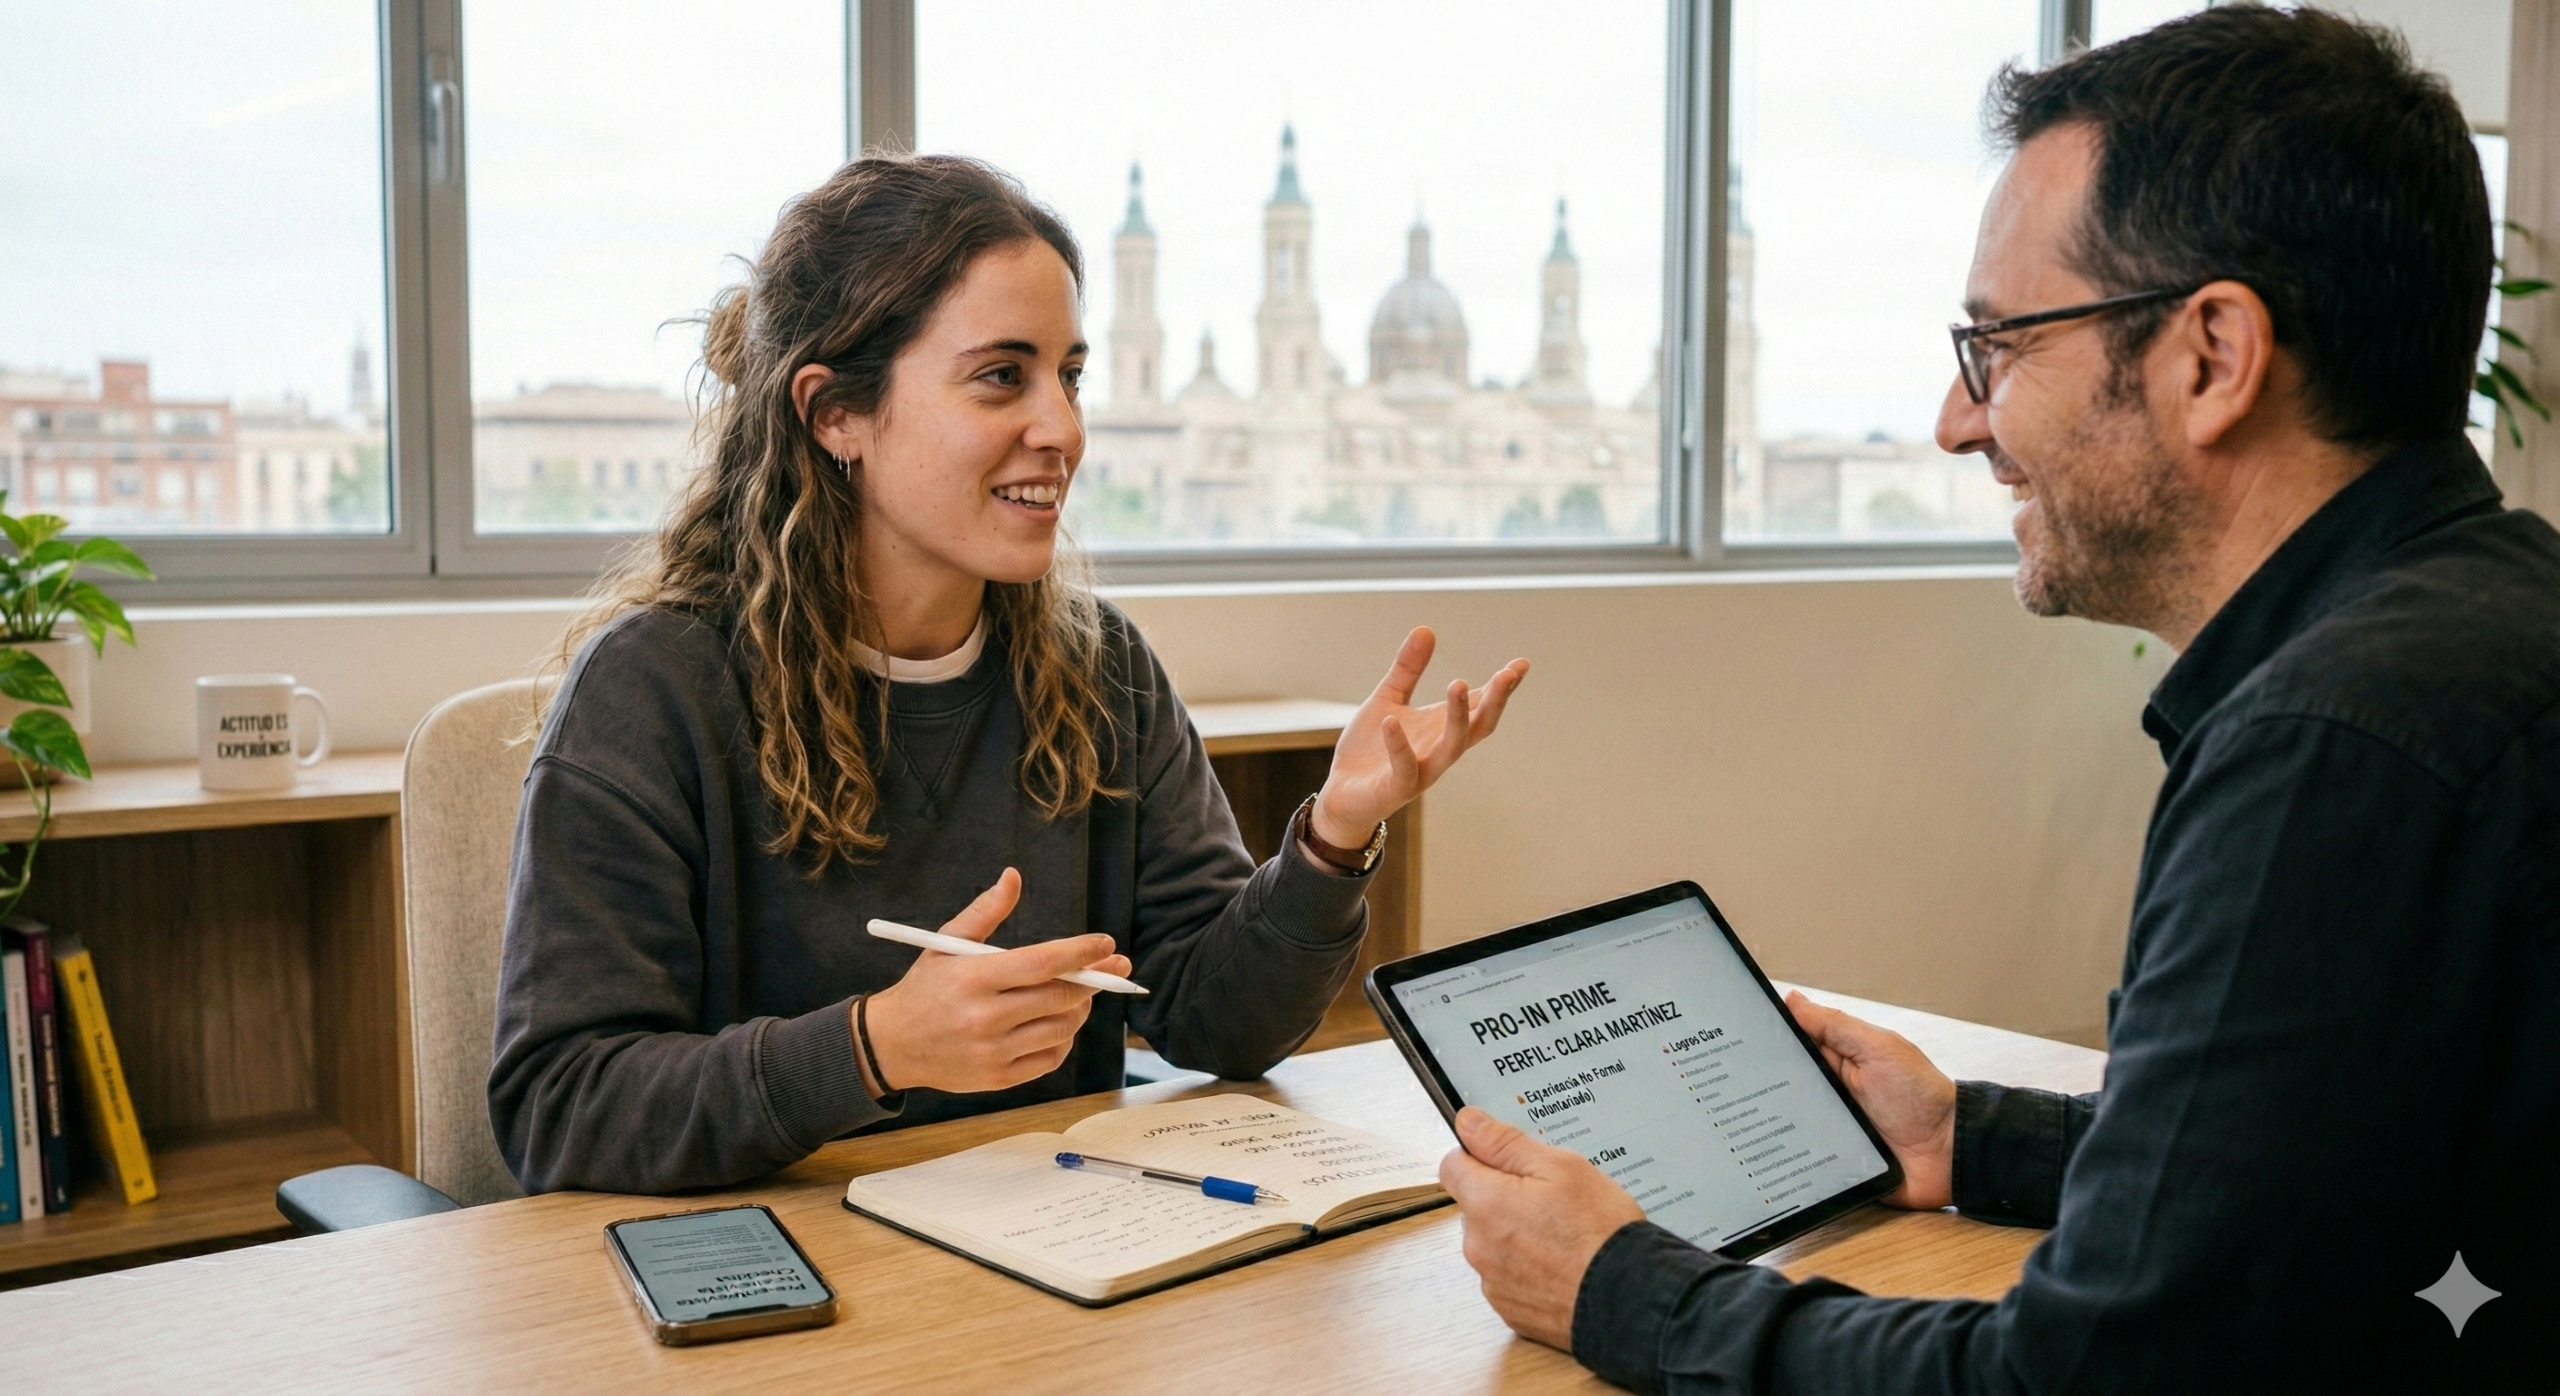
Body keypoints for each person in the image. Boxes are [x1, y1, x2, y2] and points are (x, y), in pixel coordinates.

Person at [1439, 8, 2558, 1391]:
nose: (1957, 422)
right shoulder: (2502, 618)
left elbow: (2085, 1381)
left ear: (2211, 357)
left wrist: (1624, 1290)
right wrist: (1968, 1137)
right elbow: (2325, 1178)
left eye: (2002, 348)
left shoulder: (2330, 749)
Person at [489, 154, 1527, 1195]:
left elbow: (1221, 1026)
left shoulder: (1102, 670)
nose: (1064, 430)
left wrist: (1333, 839)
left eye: (1069, 376)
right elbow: (559, 1107)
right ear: (832, 412)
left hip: (1051, 1275)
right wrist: (874, 1047)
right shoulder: (653, 692)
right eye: (1002, 376)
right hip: (774, 1300)